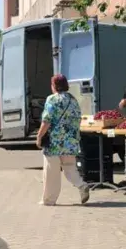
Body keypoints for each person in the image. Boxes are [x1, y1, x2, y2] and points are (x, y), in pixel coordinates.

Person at [36, 74, 90, 206]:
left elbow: (47, 120)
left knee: (51, 171)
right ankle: (82, 185)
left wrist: (39, 136)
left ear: (54, 85)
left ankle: (49, 200)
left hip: (54, 142)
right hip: (70, 141)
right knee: (70, 168)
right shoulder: (73, 100)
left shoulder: (52, 99)